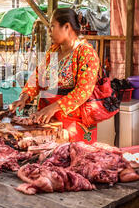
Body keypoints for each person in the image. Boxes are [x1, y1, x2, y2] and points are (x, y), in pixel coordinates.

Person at [10, 8, 100, 144]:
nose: (49, 32)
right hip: (47, 120)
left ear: (67, 27)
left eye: (52, 26)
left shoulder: (86, 53)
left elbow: (83, 91)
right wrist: (24, 97)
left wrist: (53, 108)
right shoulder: (53, 50)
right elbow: (37, 77)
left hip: (73, 124)